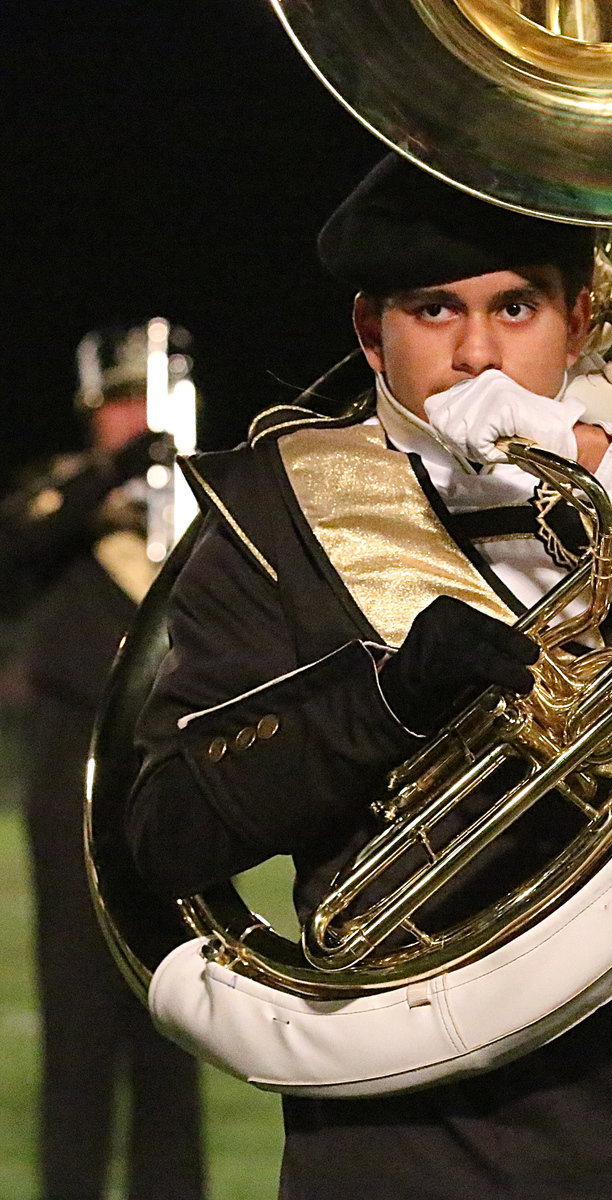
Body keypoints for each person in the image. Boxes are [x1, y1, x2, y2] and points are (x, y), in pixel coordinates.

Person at [126, 154, 612, 1200]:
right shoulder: (274, 513)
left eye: (515, 307)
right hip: (385, 1133)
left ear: (578, 318)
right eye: (431, 311)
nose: (474, 353)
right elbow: (167, 832)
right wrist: (383, 702)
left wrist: (589, 451)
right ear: (372, 332)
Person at [0, 326, 206, 1200]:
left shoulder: (197, 510)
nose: (132, 416)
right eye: (117, 403)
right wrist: (114, 473)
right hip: (68, 773)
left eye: (144, 402)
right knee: (79, 1013)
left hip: (168, 774)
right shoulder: (62, 496)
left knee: (179, 1013)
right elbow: (18, 548)